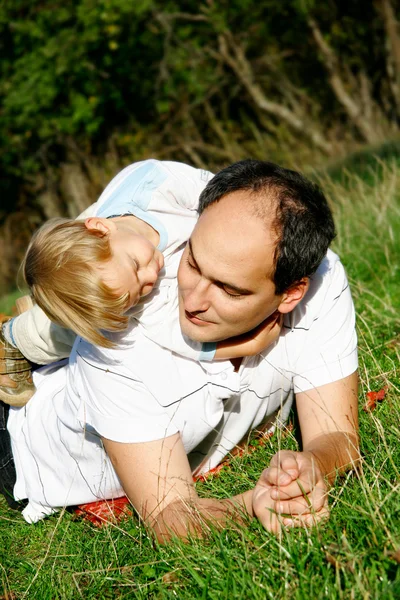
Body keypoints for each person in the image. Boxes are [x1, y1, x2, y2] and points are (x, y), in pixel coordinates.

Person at [0, 159, 359, 538]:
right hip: (17, 439)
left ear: (291, 293)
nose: (194, 299)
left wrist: (313, 468)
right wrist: (253, 502)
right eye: (191, 260)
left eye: (229, 289)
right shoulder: (120, 335)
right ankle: (25, 334)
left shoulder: (322, 280)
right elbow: (171, 515)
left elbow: (338, 438)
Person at [0, 160, 281, 406]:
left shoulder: (153, 187)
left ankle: (41, 313)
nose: (150, 278)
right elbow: (172, 332)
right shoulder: (131, 293)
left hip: (93, 232)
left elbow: (216, 191)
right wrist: (245, 347)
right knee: (80, 335)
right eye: (136, 294)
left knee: (78, 308)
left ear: (102, 229)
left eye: (136, 265)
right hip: (96, 258)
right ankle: (14, 339)